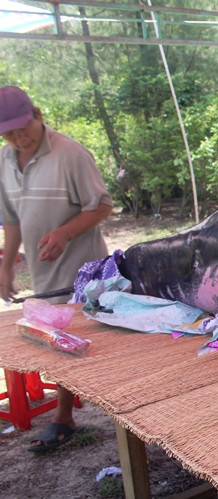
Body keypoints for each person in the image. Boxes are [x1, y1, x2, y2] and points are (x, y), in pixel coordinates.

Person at [0, 85, 113, 452]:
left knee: (73, 341)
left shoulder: (70, 154)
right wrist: (6, 266)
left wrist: (64, 233)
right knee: (55, 341)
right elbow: (12, 220)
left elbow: (101, 207)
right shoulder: (5, 161)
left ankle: (64, 417)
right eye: (9, 132)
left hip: (82, 270)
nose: (19, 137)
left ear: (38, 113)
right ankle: (70, 415)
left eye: (23, 127)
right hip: (43, 270)